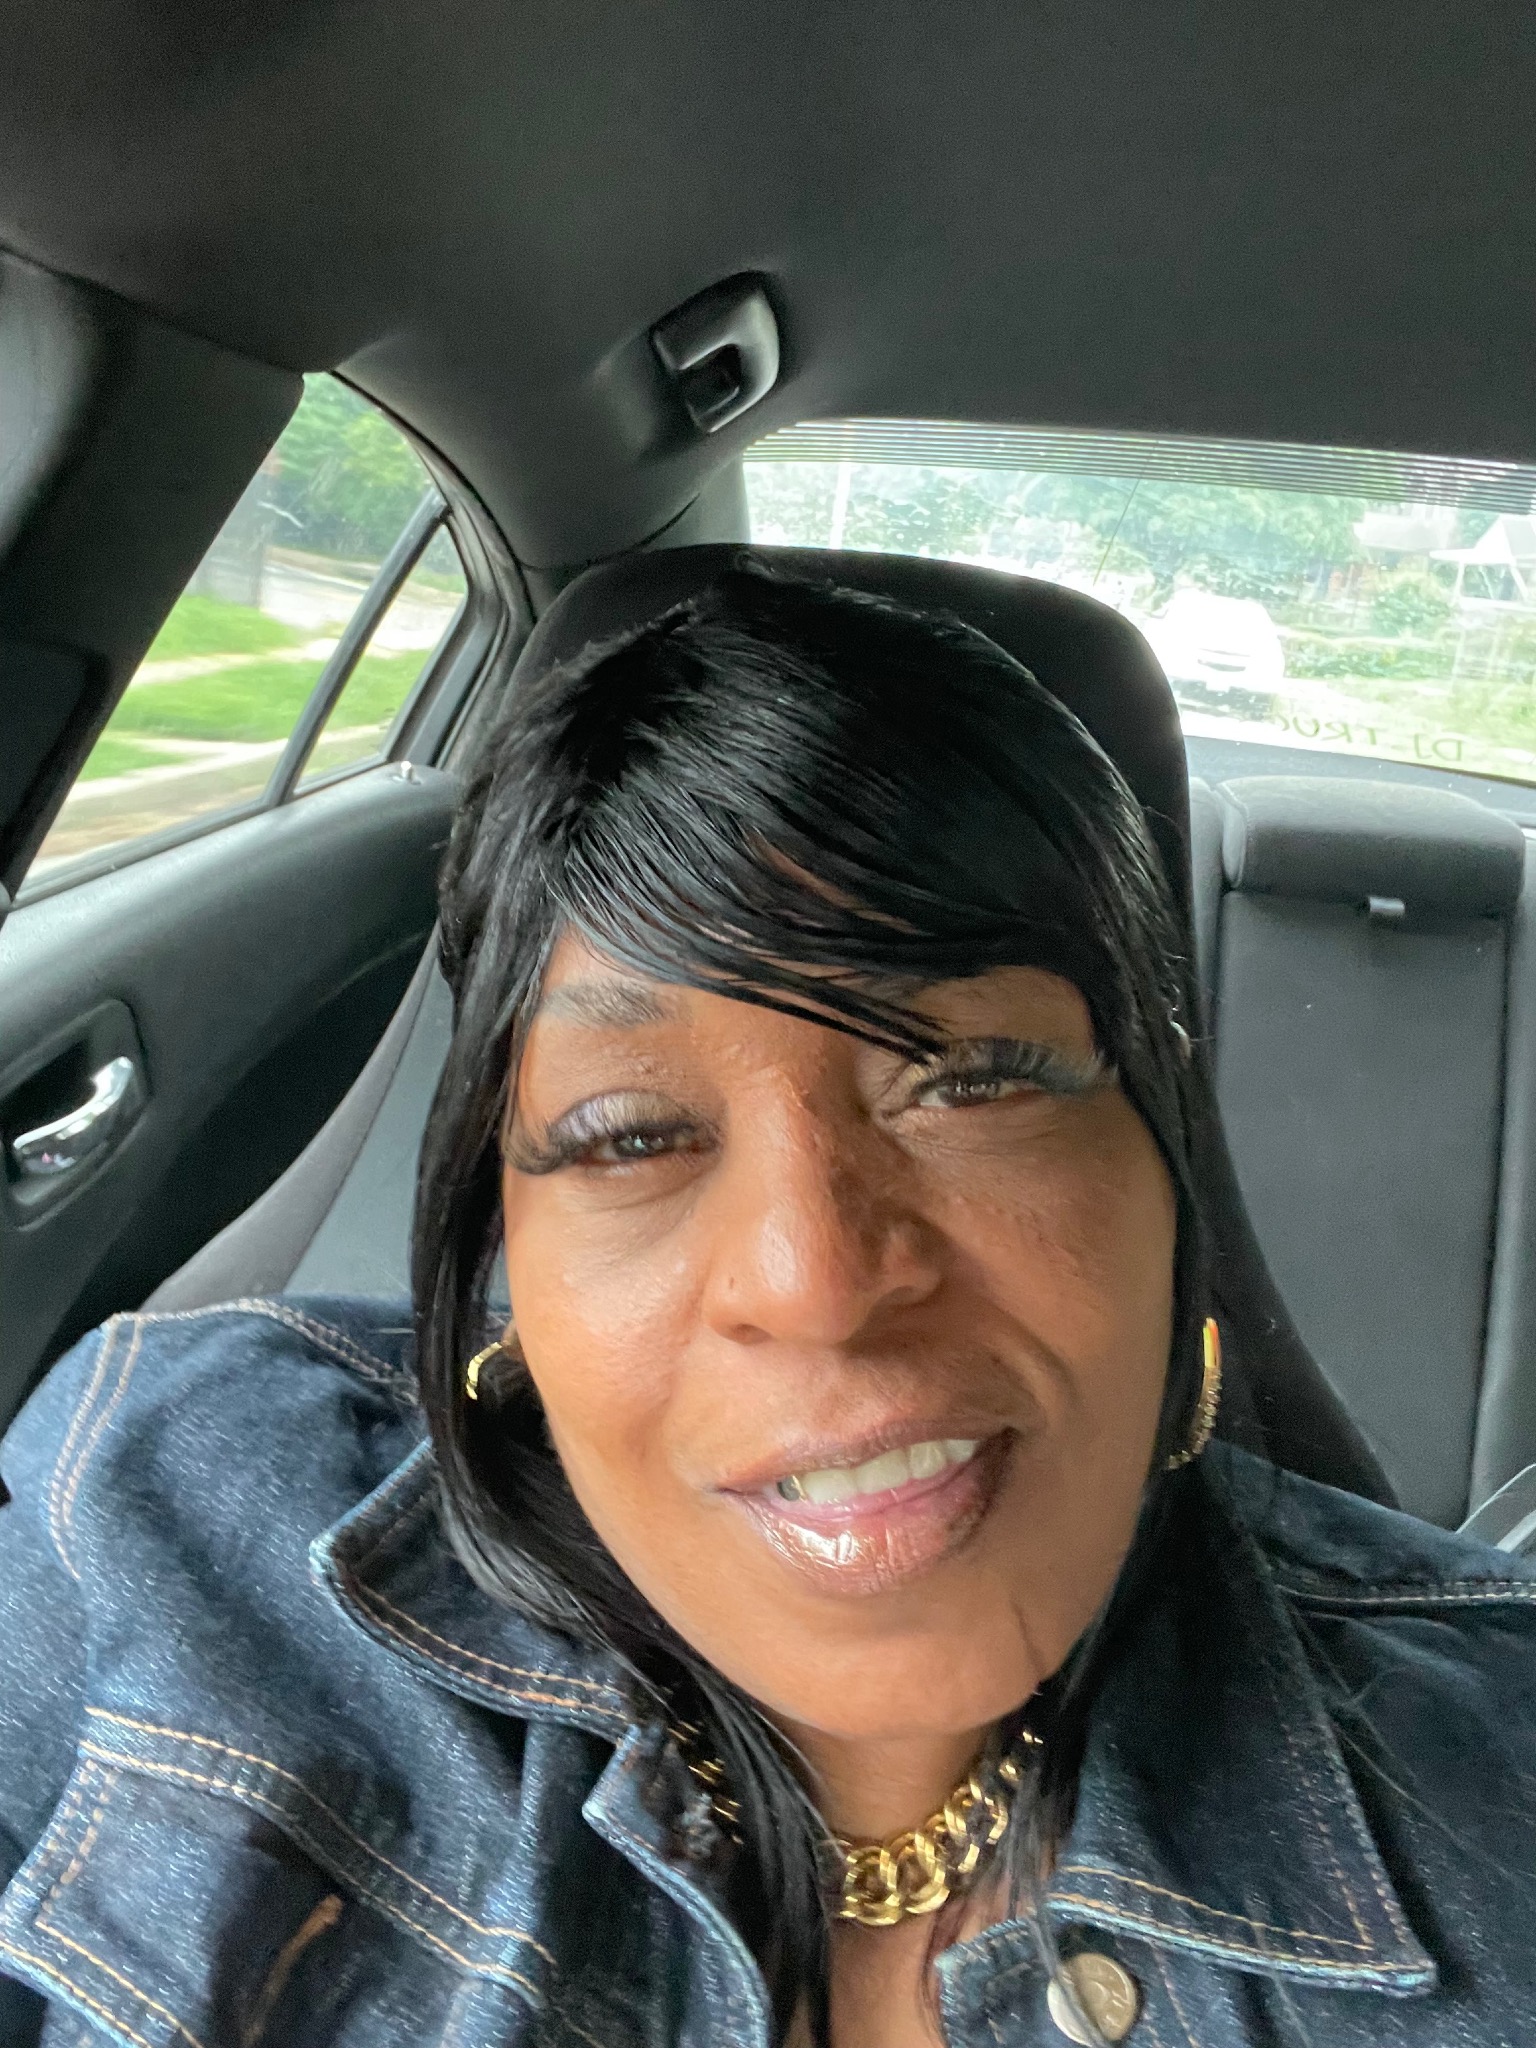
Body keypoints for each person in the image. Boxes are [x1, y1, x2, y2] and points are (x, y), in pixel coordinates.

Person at [1, 562, 1534, 2048]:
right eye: (629, 1136)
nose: (818, 1285)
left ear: (1165, 1155)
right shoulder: (160, 1506)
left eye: (970, 1080)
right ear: (503, 1252)